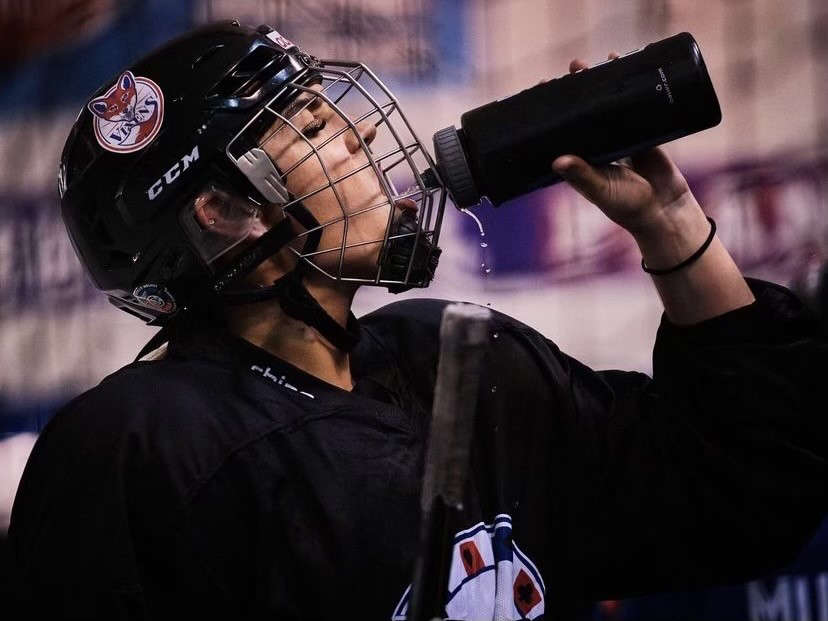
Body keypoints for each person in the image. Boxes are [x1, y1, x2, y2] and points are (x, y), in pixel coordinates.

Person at [7, 21, 828, 621]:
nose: (365, 130)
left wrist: (673, 226)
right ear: (222, 209)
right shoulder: (140, 448)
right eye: (319, 126)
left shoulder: (461, 361)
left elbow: (744, 494)